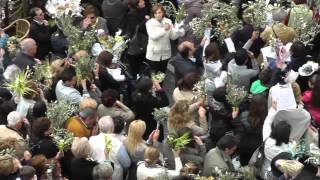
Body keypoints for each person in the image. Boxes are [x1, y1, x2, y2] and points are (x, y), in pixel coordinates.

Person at [145, 4, 183, 73]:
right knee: (153, 78)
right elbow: (153, 36)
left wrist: (177, 31)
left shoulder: (168, 21)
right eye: (155, 13)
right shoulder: (149, 23)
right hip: (153, 55)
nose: (158, 15)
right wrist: (164, 29)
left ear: (163, 13)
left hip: (165, 54)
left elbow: (172, 37)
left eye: (159, 12)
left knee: (162, 76)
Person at [238, 95, 267, 166]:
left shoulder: (243, 115)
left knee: (244, 165)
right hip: (259, 148)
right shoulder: (268, 119)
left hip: (244, 146)